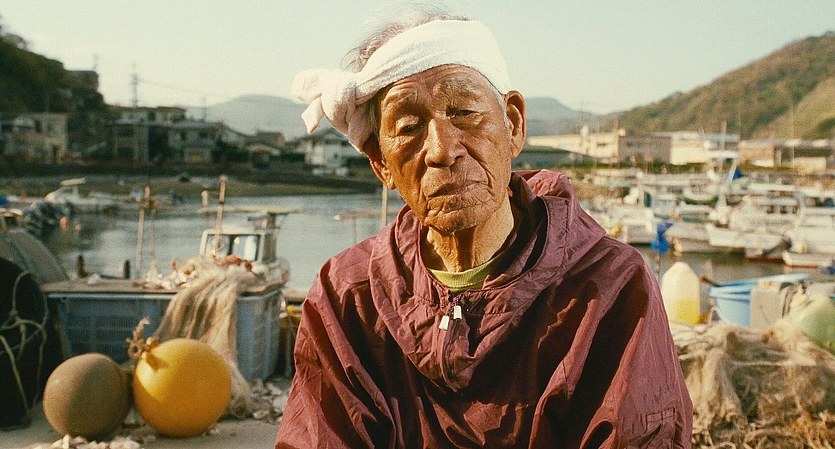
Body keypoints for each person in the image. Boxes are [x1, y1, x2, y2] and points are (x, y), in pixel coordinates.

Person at [276, 5, 692, 448]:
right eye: (409, 127)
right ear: (381, 164)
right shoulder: (347, 296)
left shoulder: (608, 287)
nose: (442, 150)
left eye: (463, 112)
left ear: (513, 124)